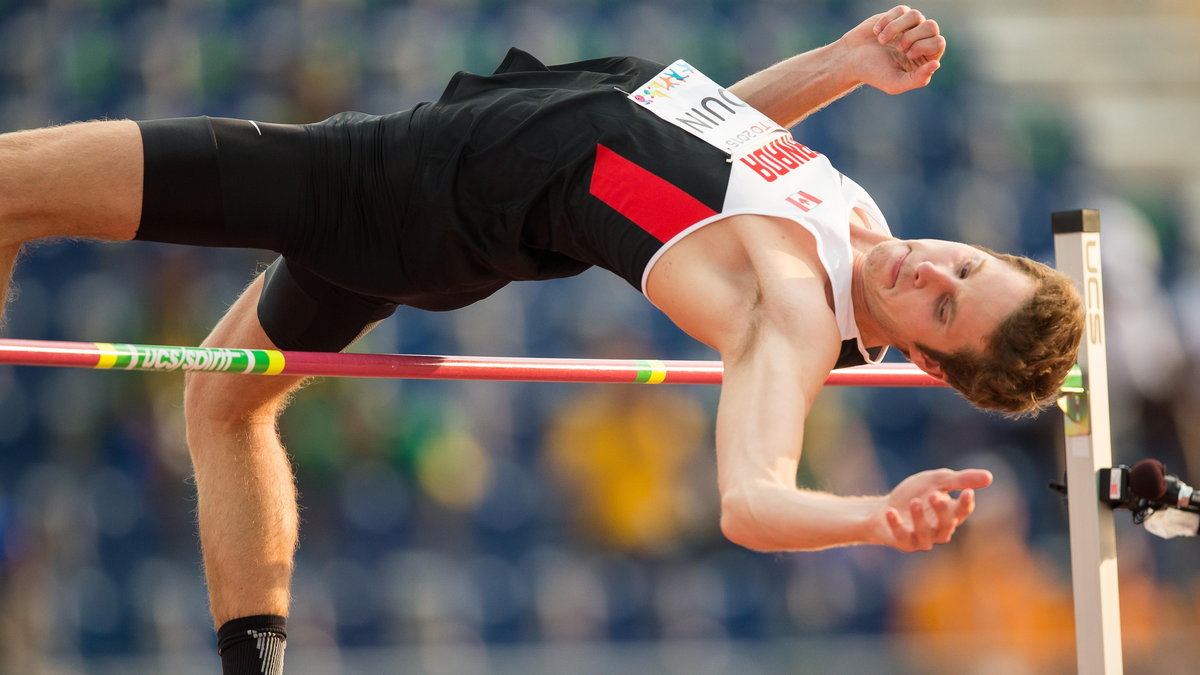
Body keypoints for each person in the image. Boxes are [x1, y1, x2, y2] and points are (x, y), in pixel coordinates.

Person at [0, 6, 1083, 674]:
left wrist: (872, 518)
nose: (932, 272)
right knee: (223, 404)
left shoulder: (791, 311)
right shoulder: (862, 234)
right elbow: (695, 129)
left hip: (394, 192)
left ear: (927, 362)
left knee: (10, 187)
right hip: (430, 190)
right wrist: (845, 63)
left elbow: (749, 501)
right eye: (967, 265)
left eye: (944, 306)